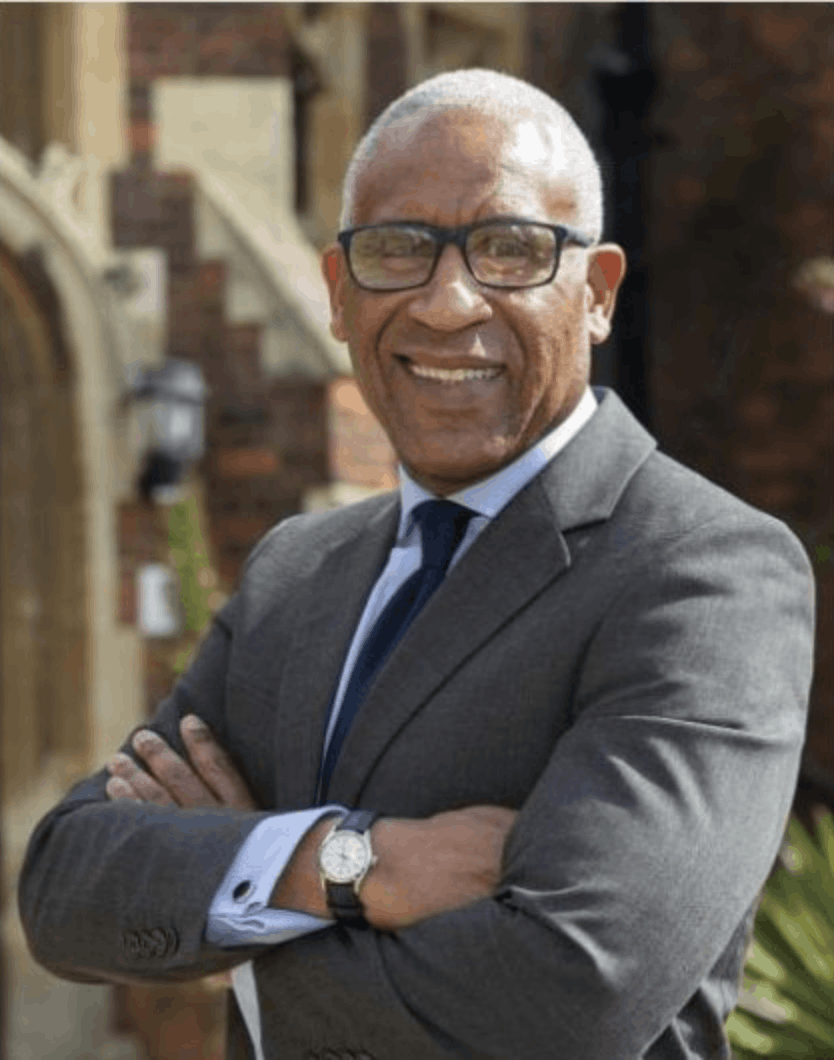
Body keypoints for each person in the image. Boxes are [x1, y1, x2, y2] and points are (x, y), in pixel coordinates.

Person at [19, 70, 814, 1060]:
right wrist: (341, 864)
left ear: (598, 294)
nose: (446, 303)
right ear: (339, 295)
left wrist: (237, 915)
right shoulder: (297, 573)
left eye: (510, 249)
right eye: (398, 249)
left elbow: (573, 993)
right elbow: (64, 891)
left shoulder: (703, 570)